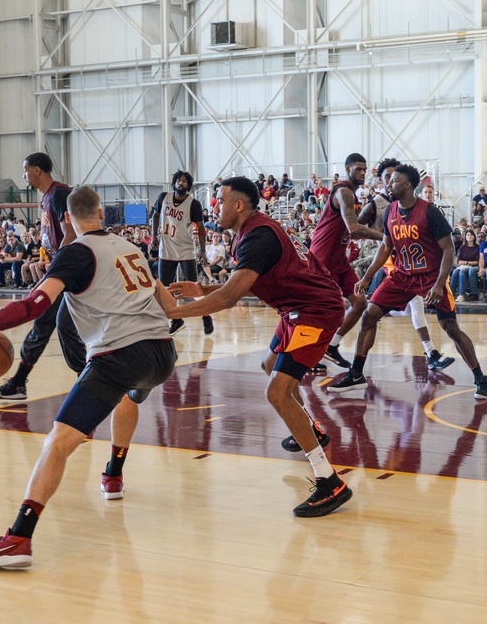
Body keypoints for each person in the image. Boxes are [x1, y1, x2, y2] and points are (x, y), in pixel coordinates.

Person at [0, 187, 178, 569]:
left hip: (120, 354)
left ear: (65, 219)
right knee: (127, 397)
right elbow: (168, 304)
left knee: (57, 443)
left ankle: (18, 539)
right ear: (102, 214)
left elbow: (34, 305)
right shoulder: (128, 247)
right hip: (162, 354)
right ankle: (113, 474)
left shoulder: (76, 253)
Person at [166, 177, 353, 517]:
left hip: (316, 311)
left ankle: (330, 481)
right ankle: (312, 429)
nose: (214, 206)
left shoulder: (258, 237)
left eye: (219, 199)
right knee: (270, 367)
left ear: (238, 205)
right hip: (295, 308)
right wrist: (202, 289)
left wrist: (172, 313)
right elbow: (248, 285)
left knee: (277, 392)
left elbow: (230, 298)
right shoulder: (251, 233)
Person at [331, 164, 487, 400]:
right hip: (402, 276)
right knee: (369, 315)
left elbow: (449, 249)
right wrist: (366, 277)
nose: (388, 184)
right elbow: (386, 247)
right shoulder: (390, 211)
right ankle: (356, 373)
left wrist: (439, 283)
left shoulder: (430, 212)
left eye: (394, 181)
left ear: (407, 185)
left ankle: (480, 377)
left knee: (451, 328)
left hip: (430, 277)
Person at [0, 153, 86, 400]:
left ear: (37, 170)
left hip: (71, 273)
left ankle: (91, 382)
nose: (23, 175)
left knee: (63, 327)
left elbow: (71, 233)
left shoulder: (60, 194)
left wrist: (56, 269)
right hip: (62, 271)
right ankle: (19, 383)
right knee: (47, 325)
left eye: (25, 170)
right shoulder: (48, 197)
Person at [308, 153, 384, 370]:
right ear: (347, 168)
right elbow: (354, 229)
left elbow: (355, 231)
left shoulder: (353, 195)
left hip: (339, 260)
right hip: (322, 259)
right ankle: (307, 354)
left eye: (364, 169)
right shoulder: (343, 192)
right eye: (358, 169)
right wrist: (386, 238)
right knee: (327, 311)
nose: (362, 173)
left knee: (360, 303)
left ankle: (331, 347)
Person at [150, 170, 214, 336]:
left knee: (194, 286)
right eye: (179, 180)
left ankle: (206, 315)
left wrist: (203, 251)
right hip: (166, 248)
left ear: (189, 185)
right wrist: (153, 237)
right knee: (165, 288)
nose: (181, 183)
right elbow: (155, 216)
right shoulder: (163, 197)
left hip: (186, 249)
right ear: (174, 183)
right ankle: (176, 320)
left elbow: (201, 229)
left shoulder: (194, 204)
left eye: (184, 181)